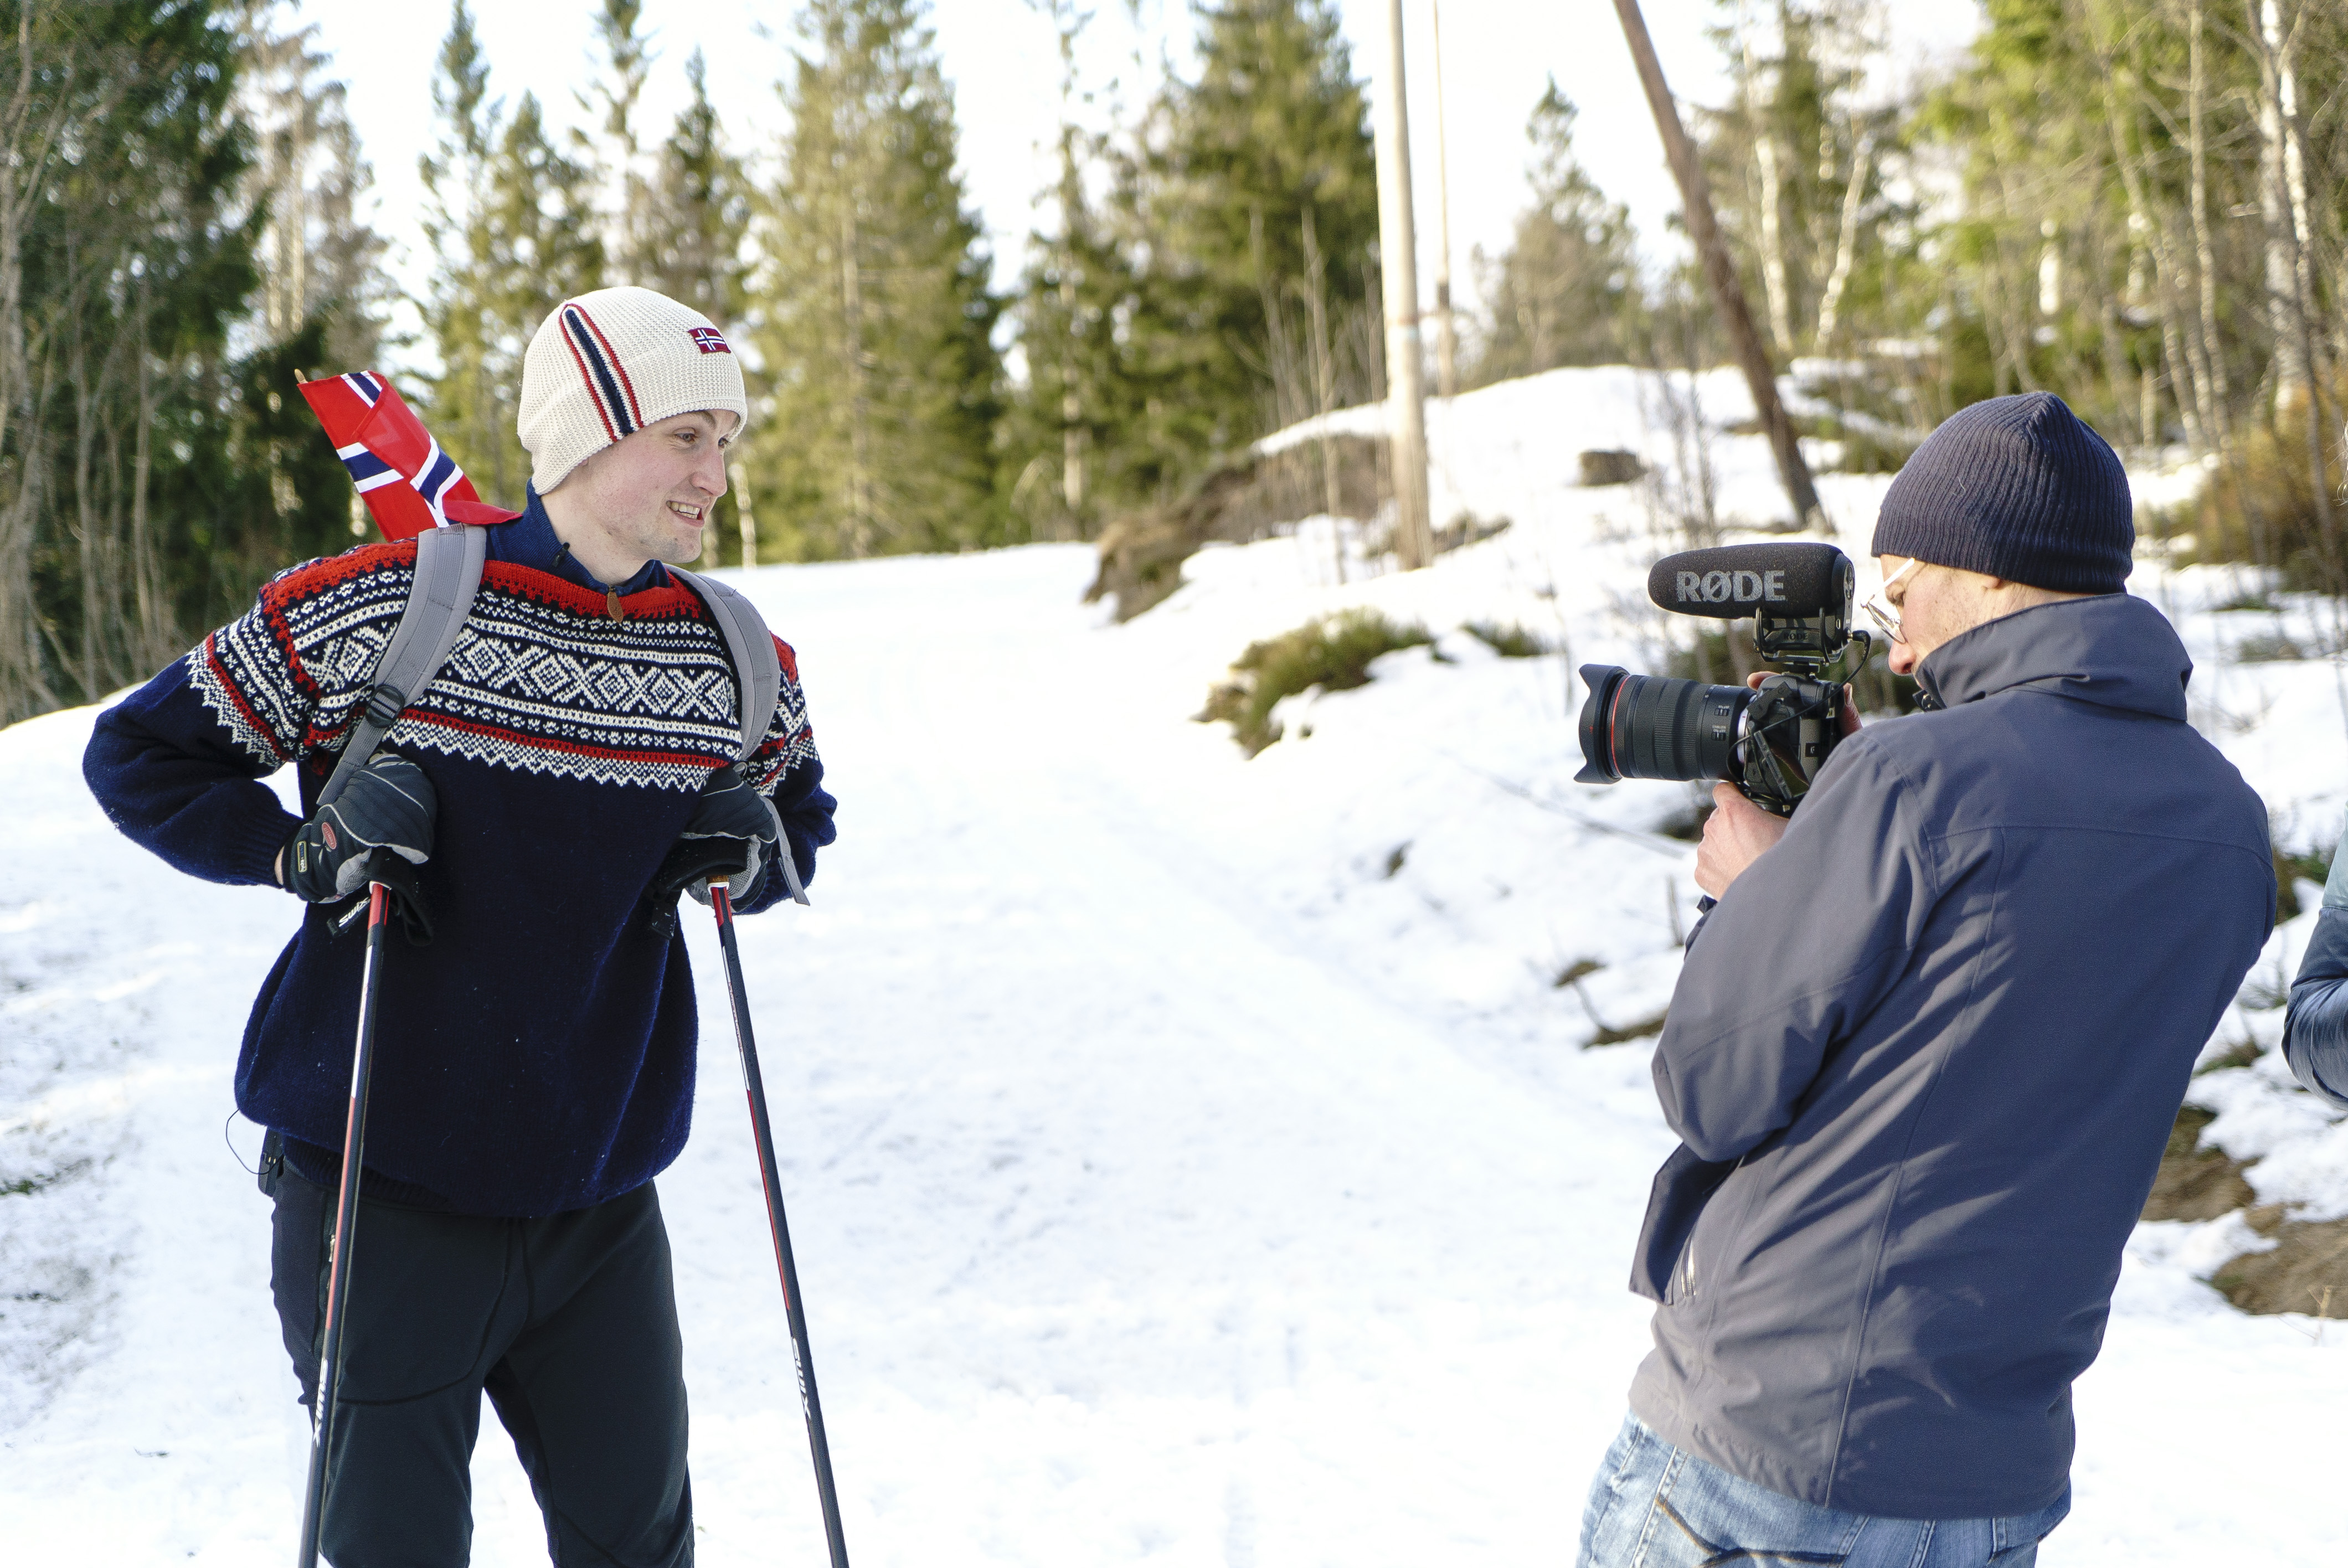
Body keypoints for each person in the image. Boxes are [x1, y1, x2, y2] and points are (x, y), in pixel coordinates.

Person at [83, 285, 835, 1566]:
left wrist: (747, 860)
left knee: (641, 1550)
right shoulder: (382, 607)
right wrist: (294, 851)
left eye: (728, 440)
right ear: (593, 431)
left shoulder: (732, 657)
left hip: (601, 1201)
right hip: (381, 1189)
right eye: (688, 438)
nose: (716, 475)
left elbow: (794, 826)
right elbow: (141, 753)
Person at [1579, 393, 2273, 1568]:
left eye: (1899, 591)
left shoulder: (1910, 782)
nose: (1895, 646)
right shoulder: (2224, 823)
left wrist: (1757, 891)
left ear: (1991, 574)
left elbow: (1714, 1087)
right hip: (1993, 1473)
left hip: (1767, 1454)